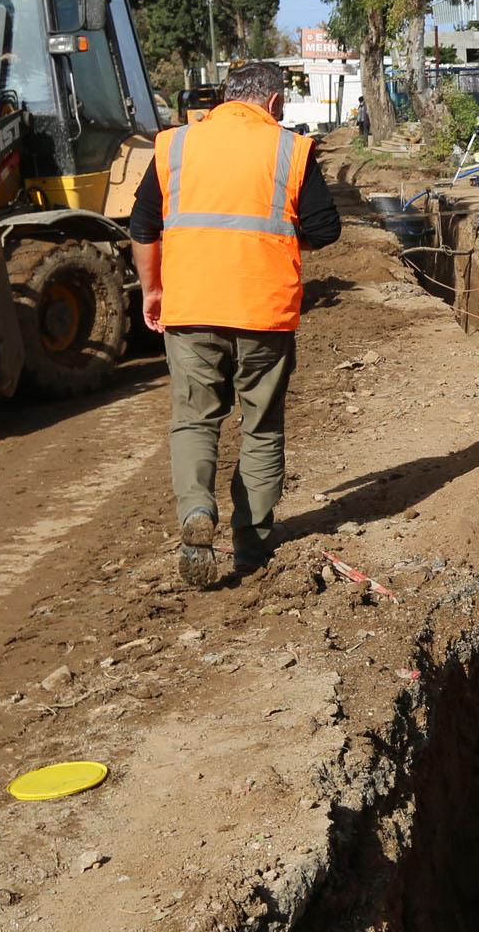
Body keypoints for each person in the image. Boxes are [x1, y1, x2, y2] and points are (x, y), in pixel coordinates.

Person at [129, 60, 342, 586]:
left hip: (191, 308)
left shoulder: (173, 145)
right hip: (262, 313)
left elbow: (142, 227)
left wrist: (153, 290)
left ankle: (196, 514)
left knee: (195, 420)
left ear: (227, 97)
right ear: (272, 103)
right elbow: (325, 228)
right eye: (283, 107)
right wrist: (280, 241)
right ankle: (251, 547)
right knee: (261, 427)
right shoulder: (290, 148)